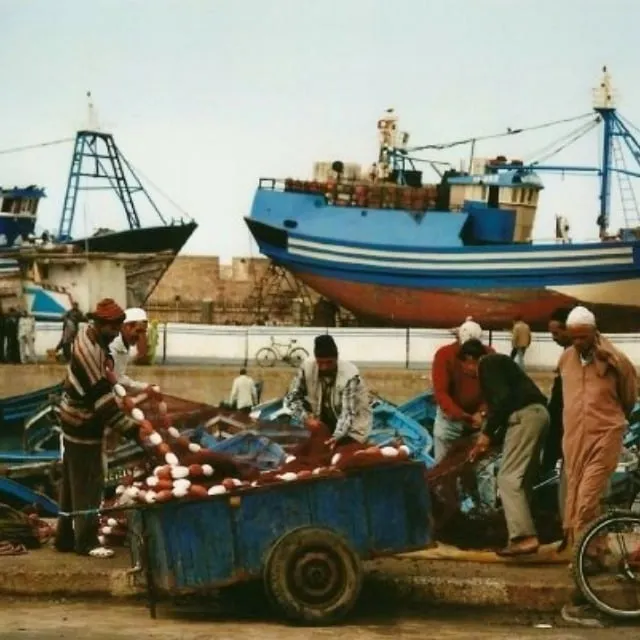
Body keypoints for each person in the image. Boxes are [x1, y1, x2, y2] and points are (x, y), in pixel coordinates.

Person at [558, 306, 637, 627]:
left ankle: (585, 559)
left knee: (588, 497)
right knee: (575, 496)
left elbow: (630, 395)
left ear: (594, 332)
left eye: (583, 337)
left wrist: (612, 419)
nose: (579, 343)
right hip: (574, 436)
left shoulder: (614, 359)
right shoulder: (565, 359)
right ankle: (594, 551)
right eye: (573, 338)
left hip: (605, 432)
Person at [54, 298, 137, 559]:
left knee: (71, 485)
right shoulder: (89, 351)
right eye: (113, 328)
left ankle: (65, 537)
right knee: (90, 483)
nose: (115, 333)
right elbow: (103, 402)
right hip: (82, 424)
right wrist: (134, 430)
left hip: (70, 420)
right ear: (100, 324)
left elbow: (105, 368)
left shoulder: (90, 338)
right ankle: (86, 542)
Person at [468, 345, 550, 557]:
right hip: (540, 415)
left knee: (507, 479)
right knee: (523, 480)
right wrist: (490, 438)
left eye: (466, 367)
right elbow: (506, 408)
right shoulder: (505, 365)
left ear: (470, 359)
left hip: (523, 417)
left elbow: (502, 402)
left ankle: (524, 537)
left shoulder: (487, 363)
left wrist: (485, 433)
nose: (469, 373)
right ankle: (526, 531)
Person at [284, 334, 371, 449]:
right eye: (320, 363)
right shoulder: (307, 368)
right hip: (322, 423)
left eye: (329, 362)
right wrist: (306, 418)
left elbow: (348, 413)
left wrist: (336, 437)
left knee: (340, 455)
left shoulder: (350, 375)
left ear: (336, 358)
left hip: (352, 426)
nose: (324, 367)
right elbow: (291, 399)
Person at [432, 318, 494, 462]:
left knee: (483, 469)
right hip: (451, 420)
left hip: (478, 420)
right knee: (442, 467)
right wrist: (464, 416)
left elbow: (492, 390)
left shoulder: (490, 356)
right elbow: (441, 393)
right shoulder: (444, 355)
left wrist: (482, 412)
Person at [109, 307, 149, 391]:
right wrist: (144, 387)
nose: (140, 337)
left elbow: (142, 353)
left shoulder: (126, 346)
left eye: (143, 332)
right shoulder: (113, 347)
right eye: (138, 331)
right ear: (126, 327)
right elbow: (117, 380)